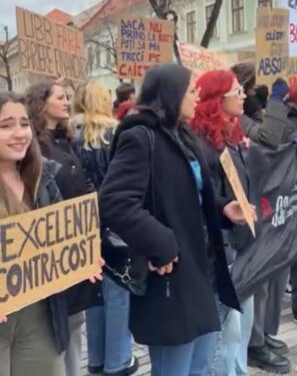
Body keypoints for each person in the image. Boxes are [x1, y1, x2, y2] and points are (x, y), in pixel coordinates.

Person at [98, 64, 244, 376]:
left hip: (201, 272)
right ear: (171, 93)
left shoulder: (181, 134)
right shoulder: (140, 137)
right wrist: (162, 244)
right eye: (192, 90)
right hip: (171, 278)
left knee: (199, 367)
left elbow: (188, 194)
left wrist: (222, 209)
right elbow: (114, 202)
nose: (198, 95)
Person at [0, 92, 100, 376]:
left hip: (40, 316)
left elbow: (60, 236)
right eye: (6, 125)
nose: (19, 134)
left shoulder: (43, 177)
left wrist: (80, 256)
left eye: (23, 124)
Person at [189, 70, 265, 376]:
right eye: (237, 91)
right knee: (226, 330)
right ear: (218, 99)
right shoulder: (204, 147)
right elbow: (206, 199)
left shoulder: (231, 137)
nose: (245, 95)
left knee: (241, 324)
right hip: (223, 248)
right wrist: (226, 211)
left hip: (242, 241)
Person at [72, 83, 138, 376]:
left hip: (82, 224)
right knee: (118, 293)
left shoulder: (69, 136)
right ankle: (118, 362)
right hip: (115, 222)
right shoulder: (117, 134)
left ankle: (97, 360)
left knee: (94, 292)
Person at [236, 75, 297, 372]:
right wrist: (276, 104)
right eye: (249, 90)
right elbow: (269, 139)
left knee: (275, 273)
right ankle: (254, 342)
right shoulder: (239, 121)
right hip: (251, 207)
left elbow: (278, 138)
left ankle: (264, 332)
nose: (252, 95)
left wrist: (293, 141)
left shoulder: (255, 116)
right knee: (259, 279)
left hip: (274, 205)